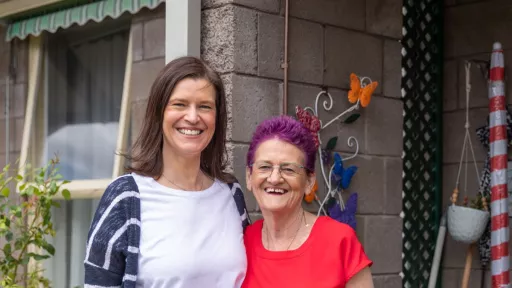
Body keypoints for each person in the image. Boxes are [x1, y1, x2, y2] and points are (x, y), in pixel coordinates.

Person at [83, 56, 250, 288]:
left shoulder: (231, 193)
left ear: (217, 117)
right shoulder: (126, 197)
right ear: (159, 112)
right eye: (180, 104)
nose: (193, 117)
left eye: (204, 106)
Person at [242, 115, 374, 288]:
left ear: (309, 182)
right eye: (265, 167)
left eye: (288, 169)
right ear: (249, 177)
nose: (274, 178)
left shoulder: (339, 241)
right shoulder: (242, 243)